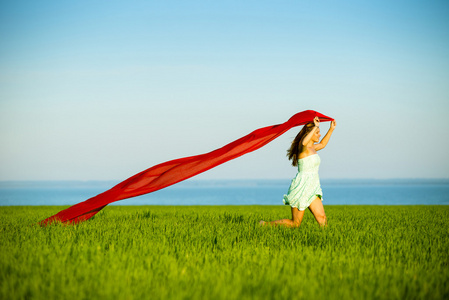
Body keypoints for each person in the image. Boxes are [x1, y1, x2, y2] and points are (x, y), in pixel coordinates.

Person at [260, 116, 336, 227]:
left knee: (322, 219)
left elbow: (323, 144)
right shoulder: (303, 148)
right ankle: (265, 225)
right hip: (301, 187)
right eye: (317, 132)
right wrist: (315, 126)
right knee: (295, 223)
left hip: (313, 187)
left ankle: (327, 240)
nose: (319, 134)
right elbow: (305, 142)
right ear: (310, 133)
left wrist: (331, 129)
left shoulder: (313, 149)